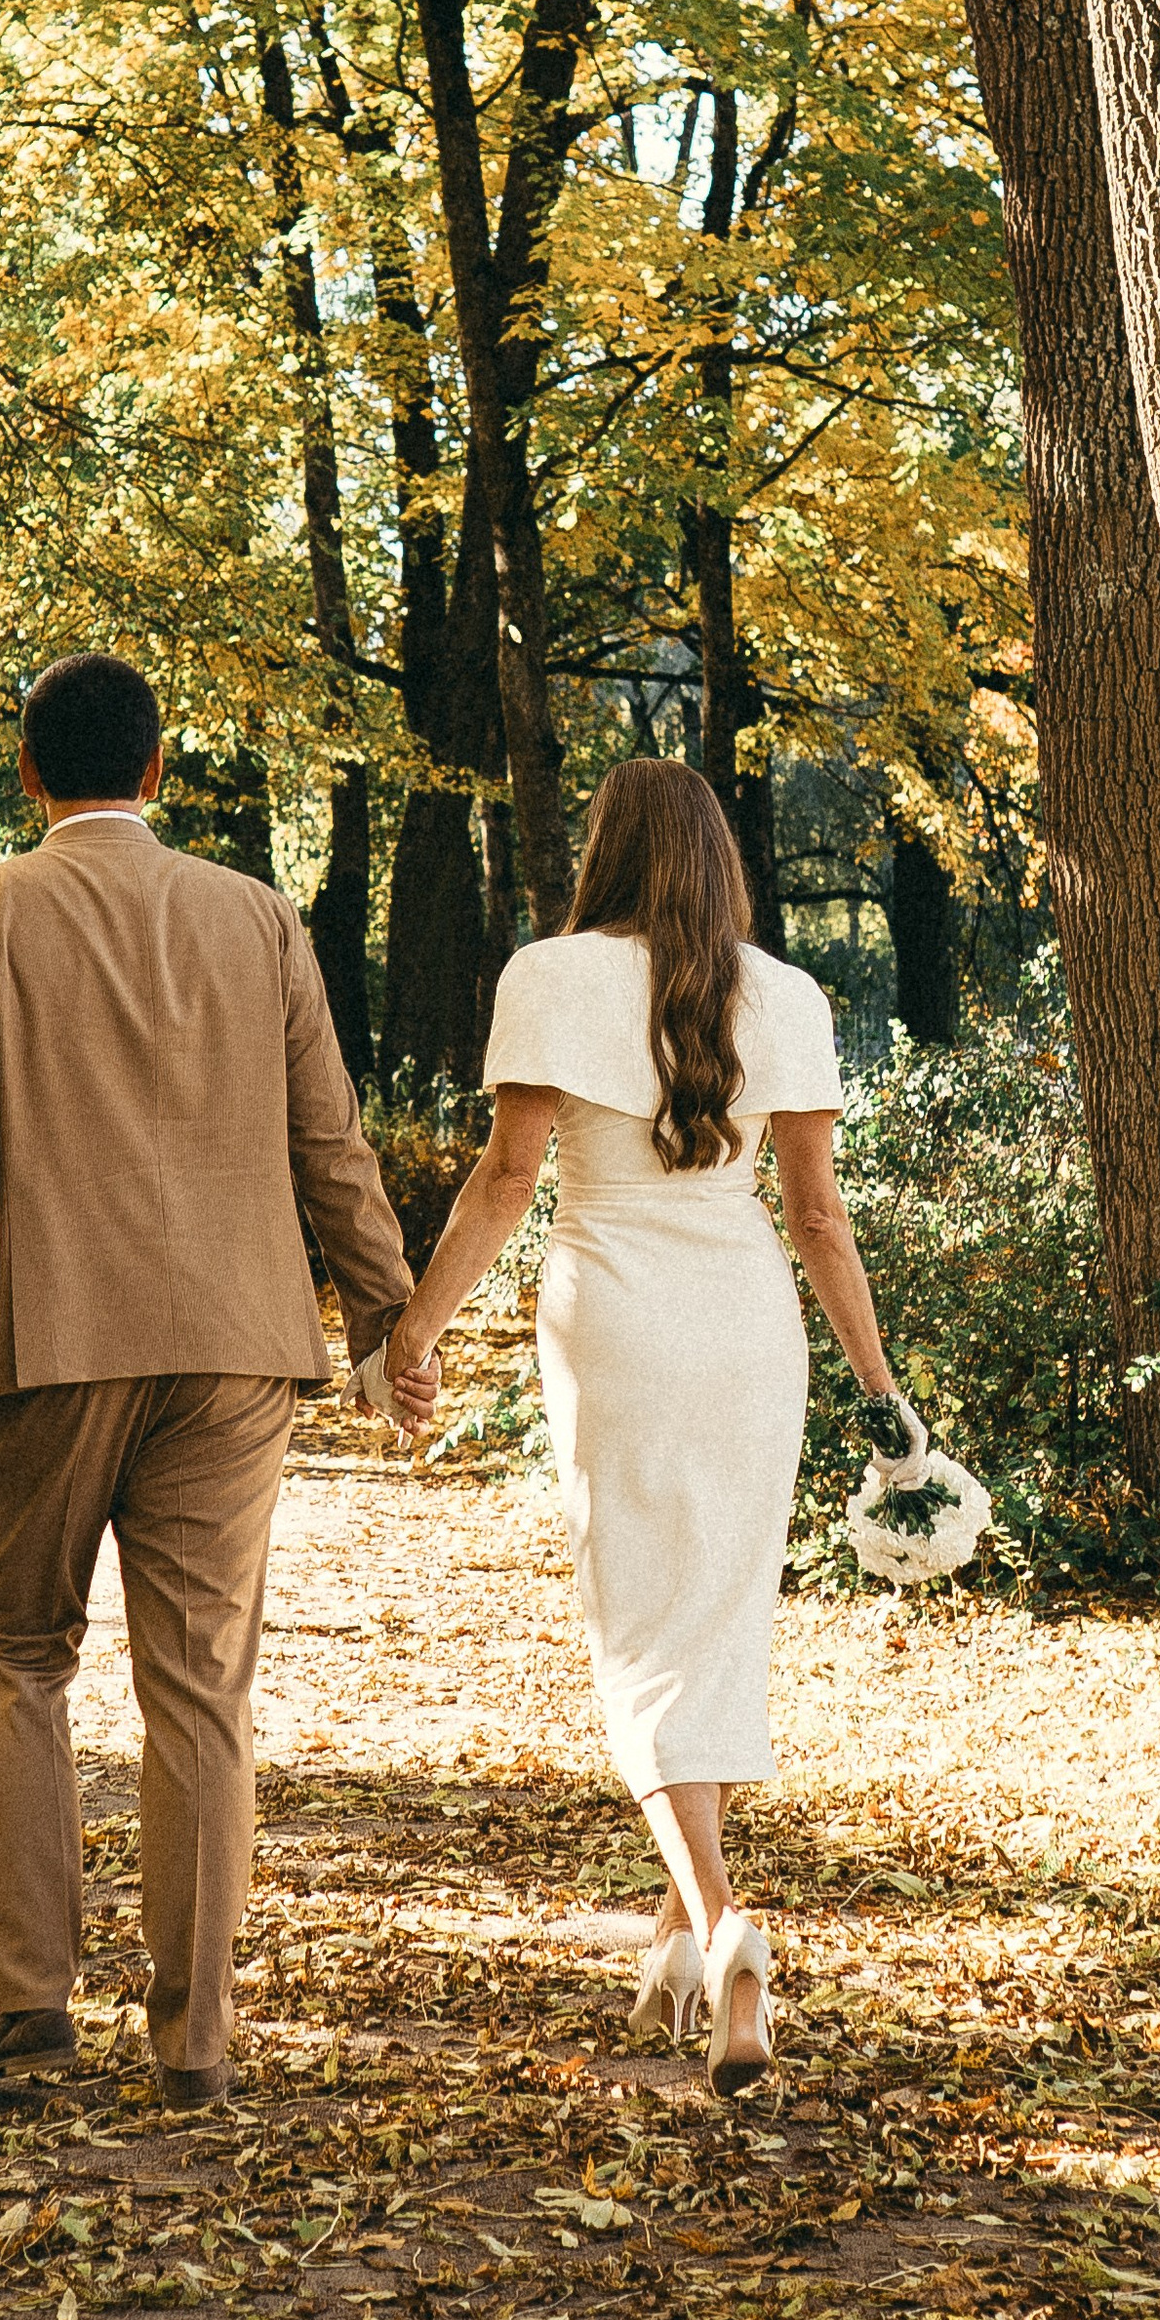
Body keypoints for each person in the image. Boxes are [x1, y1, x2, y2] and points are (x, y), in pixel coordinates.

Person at [0, 652, 437, 2111]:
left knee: (18, 1658)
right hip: (238, 1346)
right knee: (198, 1689)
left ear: (26, 771)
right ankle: (195, 2040)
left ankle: (29, 2011)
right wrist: (387, 1317)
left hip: (46, 1344)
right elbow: (332, 1138)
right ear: (161, 767)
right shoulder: (257, 918)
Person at [380, 757, 913, 2097]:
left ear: (604, 854)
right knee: (716, 1618)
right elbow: (819, 1220)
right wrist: (882, 1388)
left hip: (611, 1313)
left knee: (636, 1626)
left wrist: (417, 1328)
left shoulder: (548, 976)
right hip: (749, 1329)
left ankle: (726, 1923)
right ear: (719, 860)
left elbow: (506, 1183)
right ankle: (686, 1935)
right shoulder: (786, 996)